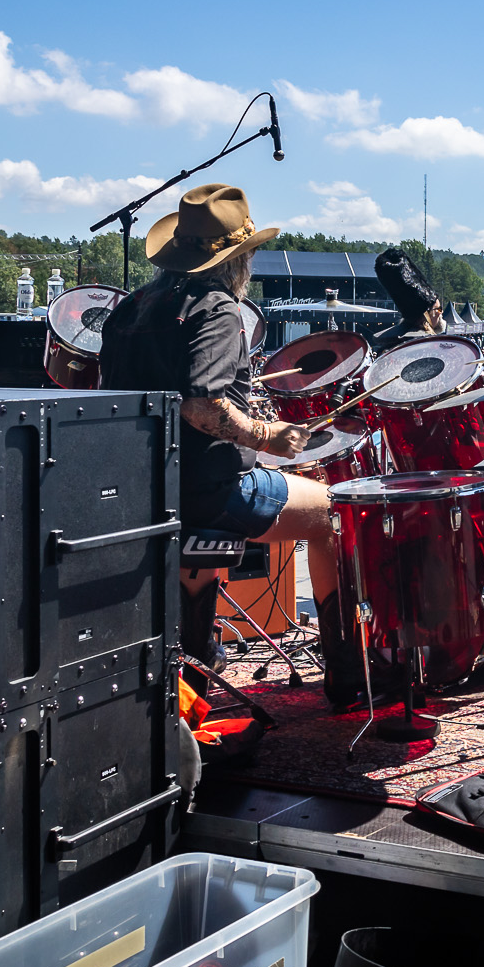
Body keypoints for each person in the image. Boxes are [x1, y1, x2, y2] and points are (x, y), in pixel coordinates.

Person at [100, 185, 358, 709]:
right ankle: (346, 670)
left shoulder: (130, 307)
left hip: (141, 489)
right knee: (332, 514)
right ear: (237, 256)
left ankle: (195, 661)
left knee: (214, 523)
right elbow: (203, 407)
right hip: (209, 490)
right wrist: (268, 435)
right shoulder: (217, 309)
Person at [370, 247, 445, 351]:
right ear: (426, 315)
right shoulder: (427, 348)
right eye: (438, 309)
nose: (441, 313)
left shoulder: (390, 348)